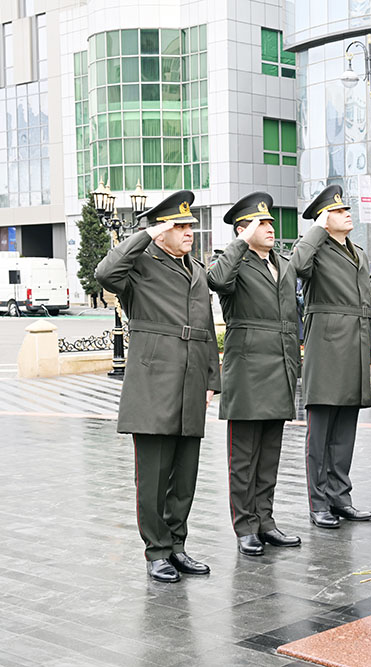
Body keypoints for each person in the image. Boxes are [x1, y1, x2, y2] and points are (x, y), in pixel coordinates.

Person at [94, 190, 220, 583]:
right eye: (179, 226)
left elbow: (204, 327)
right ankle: (156, 552)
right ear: (160, 231)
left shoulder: (196, 270)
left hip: (191, 382)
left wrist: (212, 379)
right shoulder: (139, 267)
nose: (188, 232)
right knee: (153, 477)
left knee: (185, 476)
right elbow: (104, 275)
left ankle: (177, 546)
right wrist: (144, 235)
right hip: (153, 382)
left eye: (189, 226)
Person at [207, 192, 302, 557]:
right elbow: (216, 280)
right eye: (261, 223)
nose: (271, 228)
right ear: (242, 229)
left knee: (269, 454)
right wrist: (240, 243)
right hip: (247, 368)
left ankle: (266, 520)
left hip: (279, 365)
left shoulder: (282, 262)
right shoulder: (232, 262)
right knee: (243, 456)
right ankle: (244, 525)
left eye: (271, 222)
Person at [291, 184, 371, 529]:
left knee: (345, 431)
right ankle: (319, 502)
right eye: (338, 211)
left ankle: (341, 497)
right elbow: (296, 266)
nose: (347, 213)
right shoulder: (314, 248)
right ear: (324, 218)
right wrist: (315, 229)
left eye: (346, 209)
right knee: (321, 431)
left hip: (353, 346)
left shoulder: (358, 252)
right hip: (327, 346)